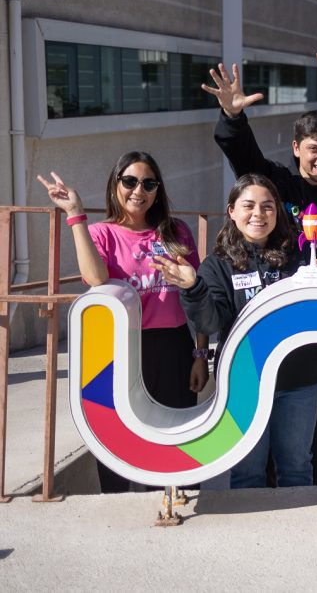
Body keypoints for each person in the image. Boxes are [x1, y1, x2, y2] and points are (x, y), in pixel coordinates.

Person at [201, 41, 317, 485]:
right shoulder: (281, 186)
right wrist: (233, 117)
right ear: (297, 148)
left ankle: (305, 493)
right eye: (314, 148)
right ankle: (265, 492)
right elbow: (245, 160)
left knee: (311, 421)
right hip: (267, 322)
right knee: (257, 419)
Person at [154, 174, 317, 488]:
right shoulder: (217, 265)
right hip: (244, 383)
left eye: (267, 206)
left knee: (296, 470)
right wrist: (193, 287)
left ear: (277, 212)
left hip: (299, 379)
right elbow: (210, 322)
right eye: (249, 205)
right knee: (248, 473)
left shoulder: (299, 254)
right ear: (231, 211)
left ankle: (300, 522)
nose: (259, 214)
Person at [37, 153, 209, 492]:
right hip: (119, 349)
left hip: (172, 347)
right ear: (115, 184)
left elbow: (197, 298)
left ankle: (175, 505)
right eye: (129, 181)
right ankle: (120, 510)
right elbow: (95, 277)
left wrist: (200, 355)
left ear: (157, 191)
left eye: (148, 184)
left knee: (175, 438)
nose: (138, 191)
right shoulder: (101, 233)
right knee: (115, 441)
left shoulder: (175, 232)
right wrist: (75, 214)